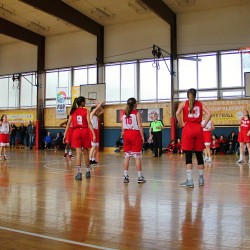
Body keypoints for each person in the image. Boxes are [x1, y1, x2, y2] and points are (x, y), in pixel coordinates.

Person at [176, 88, 211, 188]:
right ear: (196, 95)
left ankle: (190, 181)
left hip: (188, 128)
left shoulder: (183, 104)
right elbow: (209, 113)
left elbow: (177, 113)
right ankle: (201, 179)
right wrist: (203, 125)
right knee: (199, 154)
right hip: (198, 128)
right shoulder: (200, 104)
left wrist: (181, 123)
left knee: (188, 155)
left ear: (187, 95)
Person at [63, 96, 95, 180]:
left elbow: (68, 124)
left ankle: (79, 173)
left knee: (78, 153)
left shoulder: (73, 112)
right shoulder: (86, 111)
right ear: (83, 103)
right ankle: (88, 172)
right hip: (85, 131)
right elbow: (89, 123)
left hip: (76, 132)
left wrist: (64, 135)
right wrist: (93, 133)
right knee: (86, 152)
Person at [121, 97, 146, 183]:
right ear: (135, 104)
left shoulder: (124, 114)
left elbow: (122, 126)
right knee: (137, 157)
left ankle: (125, 176)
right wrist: (142, 136)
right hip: (135, 134)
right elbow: (140, 125)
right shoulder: (136, 113)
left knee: (127, 156)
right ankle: (140, 177)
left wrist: (123, 133)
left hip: (126, 134)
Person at [89, 100, 104, 165]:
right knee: (93, 146)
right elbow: (97, 108)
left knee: (96, 147)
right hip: (92, 131)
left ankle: (93, 159)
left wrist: (98, 105)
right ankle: (89, 159)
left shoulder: (96, 115)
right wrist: (98, 103)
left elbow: (102, 111)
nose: (97, 111)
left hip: (96, 131)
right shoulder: (91, 114)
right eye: (95, 110)